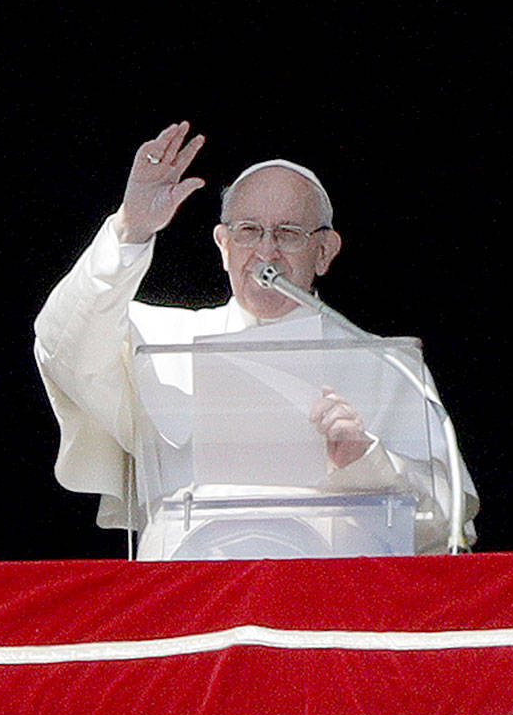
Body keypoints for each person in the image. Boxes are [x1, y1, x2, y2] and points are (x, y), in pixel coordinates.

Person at [33, 121, 476, 556]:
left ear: (324, 252)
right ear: (223, 245)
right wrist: (130, 230)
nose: (266, 252)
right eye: (248, 231)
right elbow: (63, 347)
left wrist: (366, 462)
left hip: (324, 608)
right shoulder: (162, 340)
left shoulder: (383, 364)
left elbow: (448, 526)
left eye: (288, 233)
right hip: (189, 601)